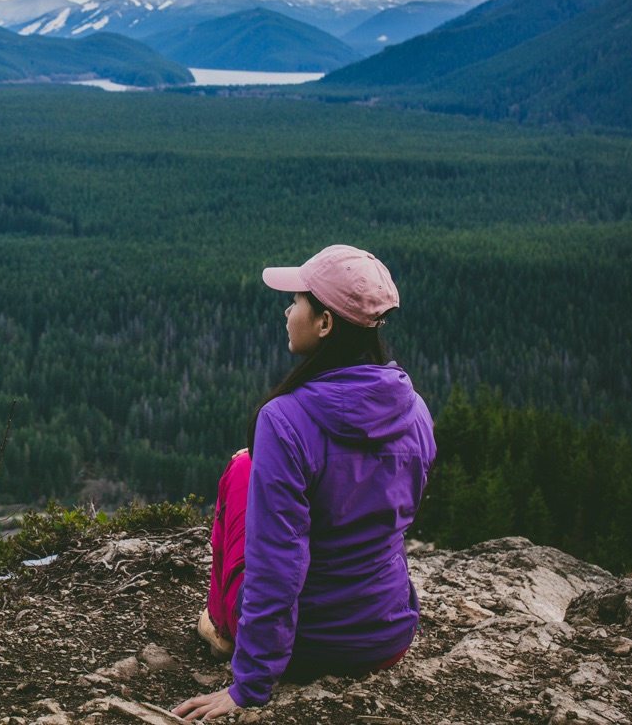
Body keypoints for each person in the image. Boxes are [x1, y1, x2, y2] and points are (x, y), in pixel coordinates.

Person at [174, 245, 436, 720]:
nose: (287, 310)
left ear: (325, 323)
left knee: (240, 470)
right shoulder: (415, 410)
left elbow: (278, 563)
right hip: (387, 637)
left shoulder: (285, 418)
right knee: (253, 465)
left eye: (296, 301)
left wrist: (248, 684)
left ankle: (220, 623)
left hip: (307, 649)